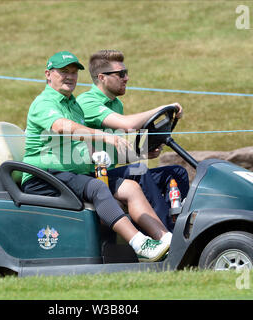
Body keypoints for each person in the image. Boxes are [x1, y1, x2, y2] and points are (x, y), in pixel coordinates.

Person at [21, 51, 172, 262]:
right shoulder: (44, 102)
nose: (70, 77)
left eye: (73, 72)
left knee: (131, 187)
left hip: (70, 174)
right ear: (48, 74)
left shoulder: (72, 104)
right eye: (64, 72)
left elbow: (80, 144)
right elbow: (61, 127)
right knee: (97, 187)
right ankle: (140, 244)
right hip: (43, 176)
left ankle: (165, 240)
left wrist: (115, 155)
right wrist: (103, 137)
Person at [76, 50, 190, 231]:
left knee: (176, 172)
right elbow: (128, 125)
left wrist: (141, 153)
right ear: (102, 77)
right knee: (140, 172)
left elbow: (112, 153)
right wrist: (164, 107)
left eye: (126, 72)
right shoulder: (87, 102)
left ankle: (179, 224)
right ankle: (165, 235)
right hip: (91, 178)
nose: (126, 78)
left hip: (108, 172)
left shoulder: (115, 103)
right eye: (120, 74)